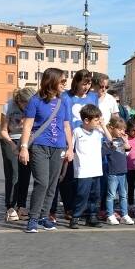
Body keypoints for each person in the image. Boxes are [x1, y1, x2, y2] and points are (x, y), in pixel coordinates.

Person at [19, 68, 74, 233]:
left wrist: (70, 148)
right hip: (39, 146)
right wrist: (23, 148)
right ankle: (33, 218)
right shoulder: (35, 101)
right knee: (41, 183)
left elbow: (66, 126)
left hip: (58, 147)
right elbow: (28, 126)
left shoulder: (63, 101)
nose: (65, 84)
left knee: (52, 184)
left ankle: (44, 217)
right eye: (62, 81)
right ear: (52, 81)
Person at [56, 70, 100, 223]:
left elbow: (97, 118)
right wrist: (68, 144)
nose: (86, 87)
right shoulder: (66, 96)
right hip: (71, 139)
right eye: (84, 83)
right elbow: (64, 119)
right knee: (69, 176)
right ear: (76, 82)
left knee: (88, 178)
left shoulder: (93, 97)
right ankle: (70, 207)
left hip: (89, 142)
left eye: (89, 84)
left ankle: (88, 210)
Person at [0, 87, 36, 221]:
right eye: (26, 105)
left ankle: (21, 206)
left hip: (27, 140)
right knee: (13, 173)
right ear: (20, 101)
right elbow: (3, 131)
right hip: (10, 139)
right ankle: (10, 207)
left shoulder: (34, 106)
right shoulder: (8, 106)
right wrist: (13, 145)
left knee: (25, 174)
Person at [70, 104, 104, 229]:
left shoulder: (98, 132)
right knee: (82, 195)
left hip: (96, 170)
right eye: (96, 120)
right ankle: (76, 216)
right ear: (86, 120)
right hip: (83, 170)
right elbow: (70, 149)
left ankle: (92, 216)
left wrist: (103, 126)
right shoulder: (77, 132)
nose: (98, 122)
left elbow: (110, 140)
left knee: (95, 195)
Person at [104, 116, 135, 225]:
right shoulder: (108, 141)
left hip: (123, 171)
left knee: (123, 195)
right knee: (111, 195)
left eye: (123, 129)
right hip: (113, 172)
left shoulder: (122, 140)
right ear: (112, 128)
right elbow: (104, 152)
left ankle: (124, 214)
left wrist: (126, 140)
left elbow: (127, 148)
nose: (122, 131)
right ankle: (109, 214)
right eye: (119, 129)